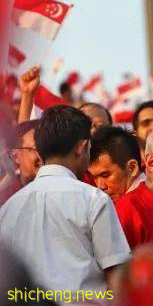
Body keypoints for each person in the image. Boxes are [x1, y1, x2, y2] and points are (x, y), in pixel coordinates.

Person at [0, 105, 131, 297]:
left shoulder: (9, 208)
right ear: (81, 148)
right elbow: (117, 275)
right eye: (89, 149)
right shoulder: (94, 199)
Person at [89, 126, 142, 201]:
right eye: (94, 178)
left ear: (132, 167)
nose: (100, 186)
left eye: (105, 175)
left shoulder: (129, 207)